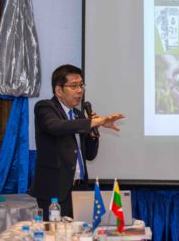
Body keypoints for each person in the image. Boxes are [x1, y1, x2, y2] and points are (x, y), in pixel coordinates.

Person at [29, 64, 124, 220]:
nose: (80, 90)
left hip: (80, 189)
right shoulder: (45, 107)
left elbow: (90, 155)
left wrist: (94, 131)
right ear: (59, 90)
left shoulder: (79, 115)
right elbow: (56, 127)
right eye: (73, 86)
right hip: (54, 192)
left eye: (81, 85)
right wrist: (92, 123)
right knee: (55, 235)